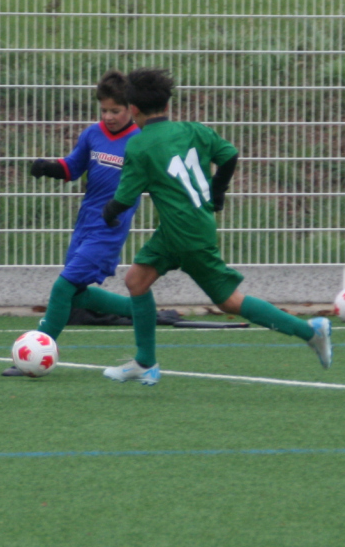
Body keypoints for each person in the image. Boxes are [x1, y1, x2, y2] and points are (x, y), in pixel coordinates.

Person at [96, 67, 331, 385]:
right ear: (167, 105)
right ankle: (145, 362)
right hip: (183, 227)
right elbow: (229, 155)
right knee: (136, 281)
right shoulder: (194, 130)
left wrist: (107, 214)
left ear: (133, 108)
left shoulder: (140, 145)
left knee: (229, 301)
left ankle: (310, 331)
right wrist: (217, 193)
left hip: (185, 234)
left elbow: (124, 198)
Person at [4, 71, 141, 376]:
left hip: (110, 228)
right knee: (76, 293)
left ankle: (38, 349)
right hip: (85, 223)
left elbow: (153, 181)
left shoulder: (139, 141)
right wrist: (48, 167)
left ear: (131, 108)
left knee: (63, 286)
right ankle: (142, 311)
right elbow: (72, 168)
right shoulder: (93, 134)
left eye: (116, 111)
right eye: (104, 110)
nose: (109, 117)